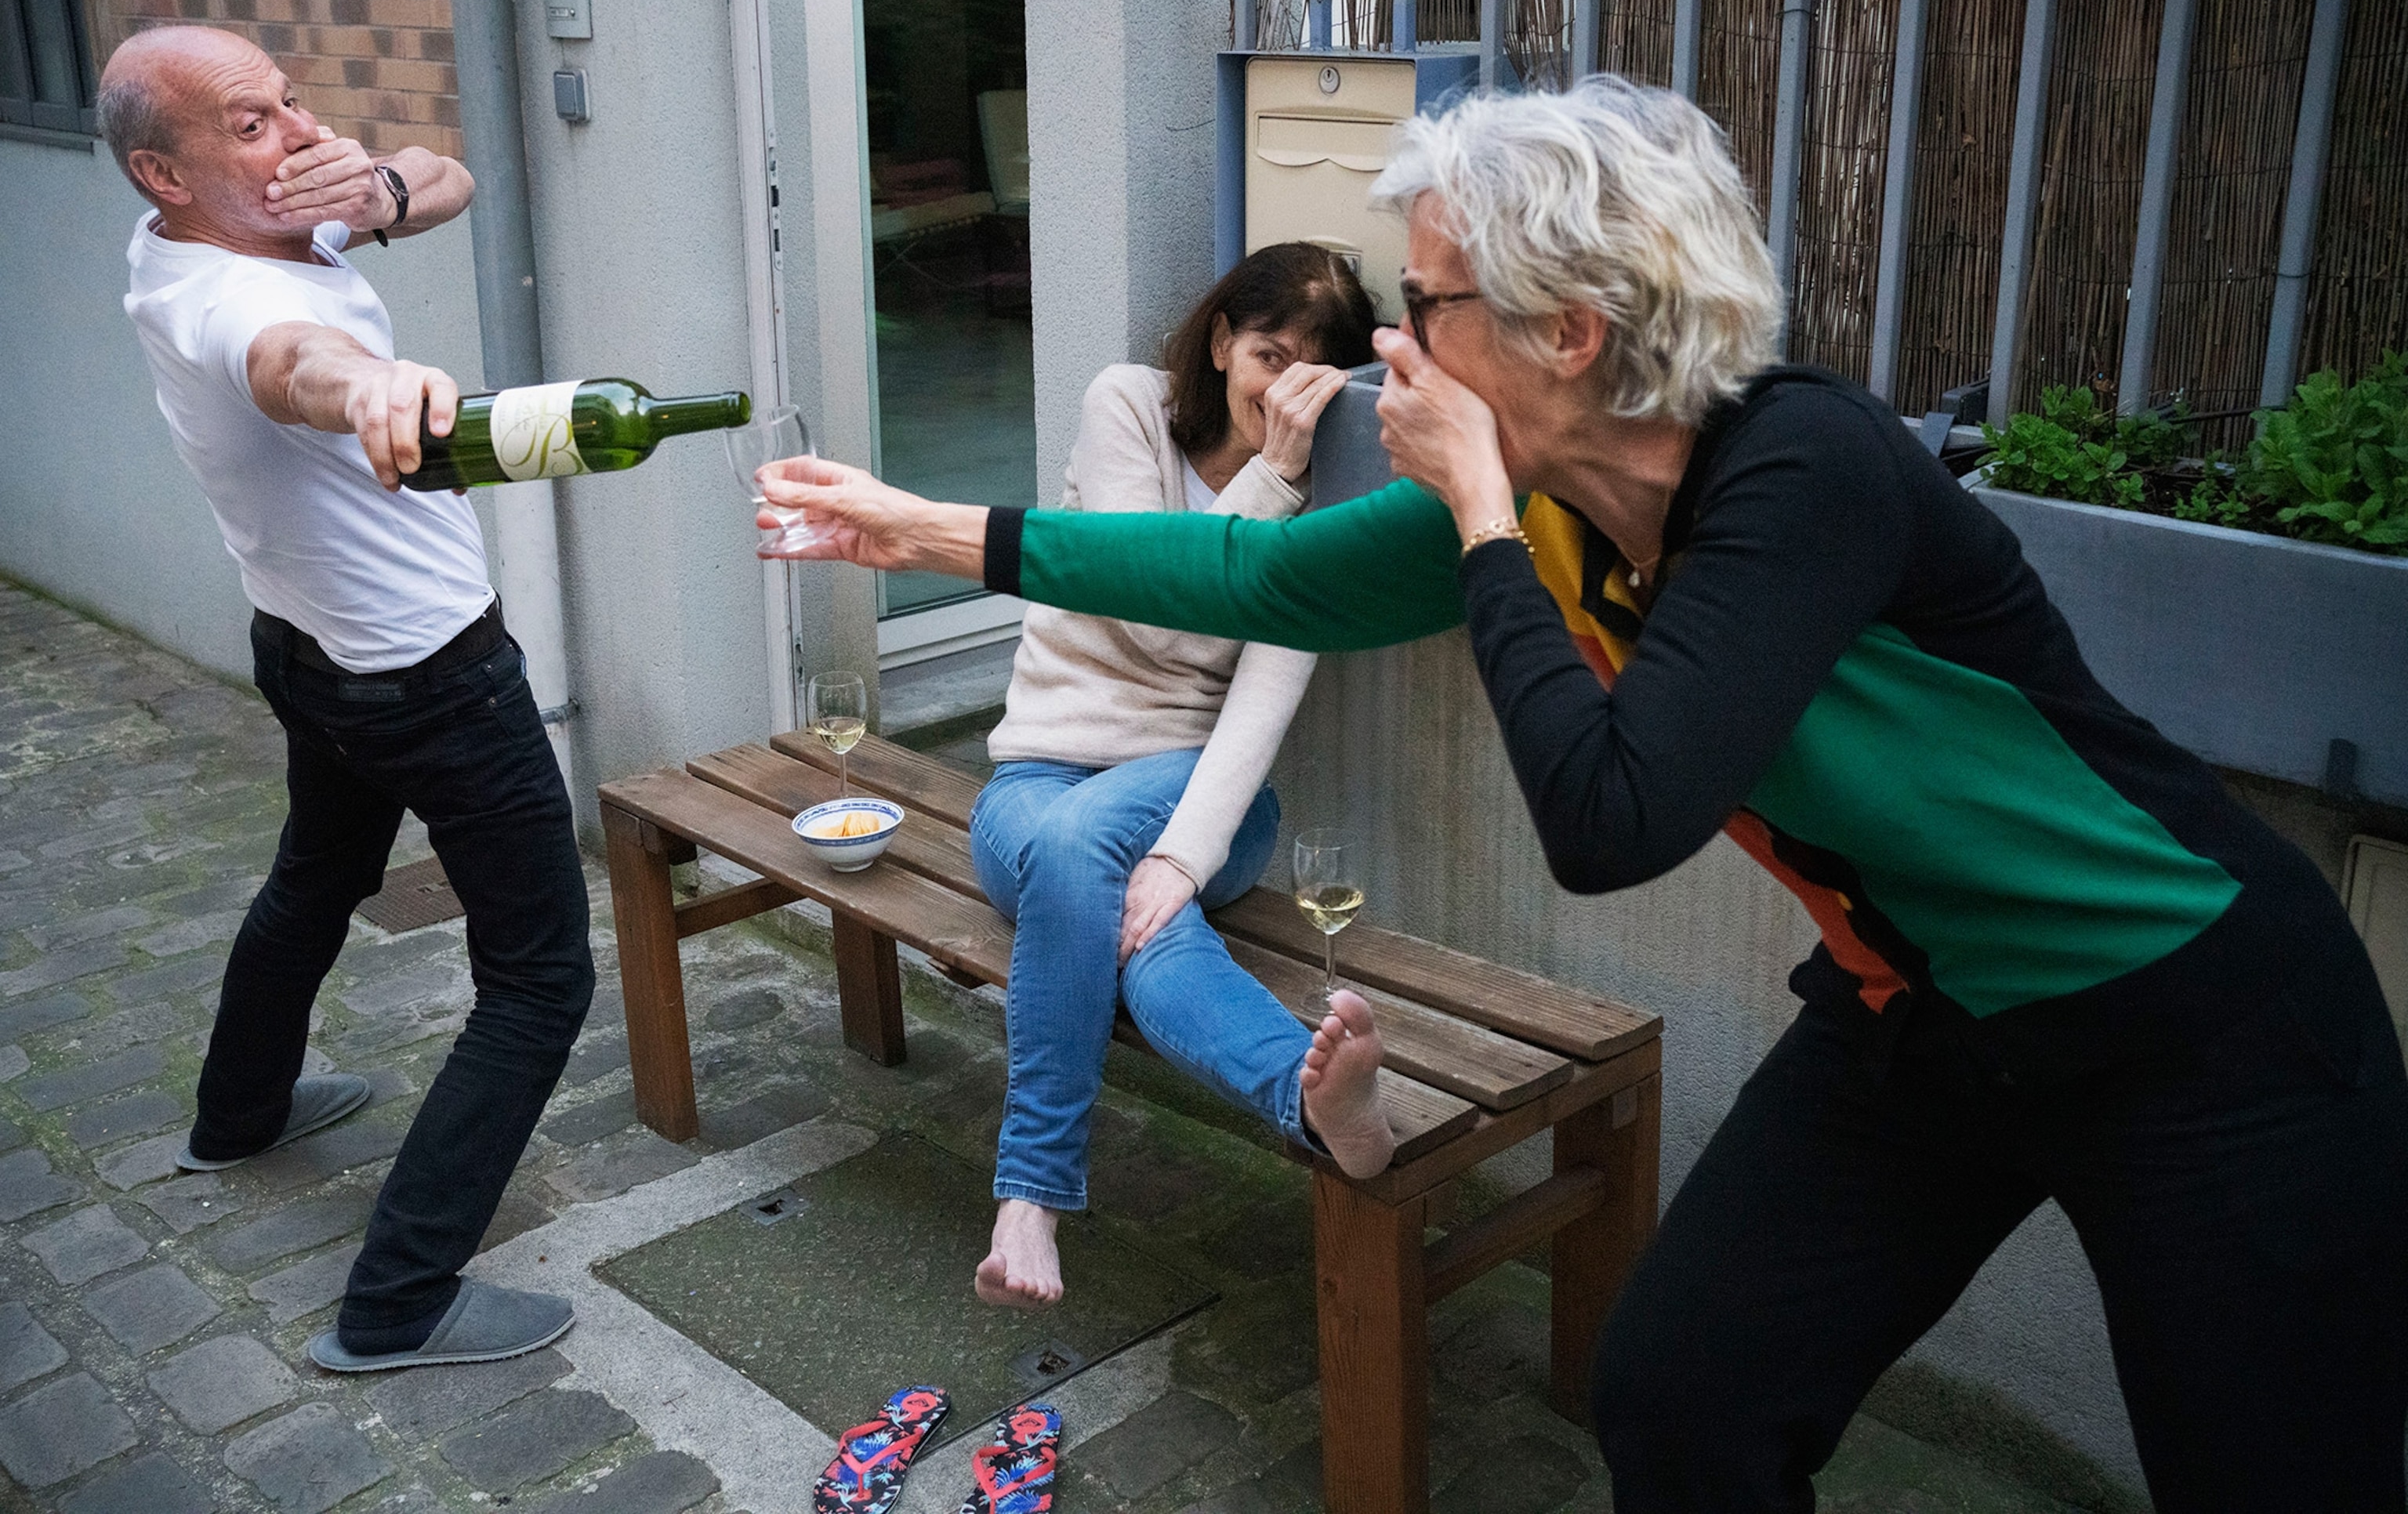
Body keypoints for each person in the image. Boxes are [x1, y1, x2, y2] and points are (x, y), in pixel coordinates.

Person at [760, 78, 2408, 1512]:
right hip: (1928, 1017)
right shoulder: (1546, 493)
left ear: (1570, 331)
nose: (1394, 347)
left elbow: (1613, 819)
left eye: (1430, 304)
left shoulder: (1800, 470)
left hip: (2203, 1030)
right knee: (1680, 1400)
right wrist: (930, 533)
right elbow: (1262, 579)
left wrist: (1479, 514)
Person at [103, 26, 593, 1371]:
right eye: (253, 124)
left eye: (288, 100)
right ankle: (399, 1304)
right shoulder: (234, 304)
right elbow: (300, 366)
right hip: (431, 680)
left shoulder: (240, 232)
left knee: (316, 880)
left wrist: (373, 193)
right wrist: (378, 386)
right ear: (165, 173)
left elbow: (446, 176)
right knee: (541, 983)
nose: (299, 130)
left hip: (310, 649)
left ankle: (239, 1117)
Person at [966, 242, 1395, 1308]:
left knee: (1094, 866)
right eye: (1266, 353)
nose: (1280, 387)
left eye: (1312, 372)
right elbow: (1149, 602)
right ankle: (1317, 1107)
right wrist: (1272, 479)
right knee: (1135, 926)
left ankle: (1030, 1197)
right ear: (1220, 343)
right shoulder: (1127, 408)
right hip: (1038, 778)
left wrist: (1180, 855)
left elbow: (1259, 709)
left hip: (1204, 796)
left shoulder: (1322, 507)